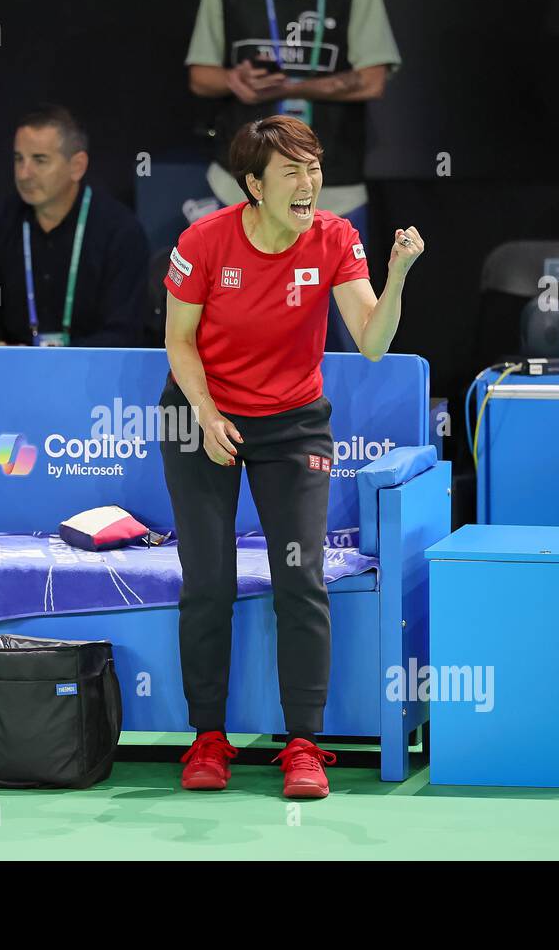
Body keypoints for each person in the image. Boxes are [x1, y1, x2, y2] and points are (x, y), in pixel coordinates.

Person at [160, 116, 423, 799]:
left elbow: (371, 343)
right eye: (292, 173)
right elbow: (179, 342)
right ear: (253, 185)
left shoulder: (335, 239)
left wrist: (395, 281)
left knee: (299, 578)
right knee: (208, 581)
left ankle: (305, 744)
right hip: (202, 415)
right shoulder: (204, 242)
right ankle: (208, 739)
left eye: (315, 169)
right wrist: (209, 415)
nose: (310, 184)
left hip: (293, 425)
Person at [185, 0, 401, 351]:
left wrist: (290, 88)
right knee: (229, 332)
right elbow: (200, 76)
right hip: (239, 192)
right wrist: (232, 79)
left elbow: (372, 80)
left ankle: (347, 407)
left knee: (354, 338)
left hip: (338, 193)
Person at [0, 105, 148, 347]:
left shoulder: (120, 232)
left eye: (39, 160)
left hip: (91, 377)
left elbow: (125, 332)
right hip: (9, 376)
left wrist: (55, 364)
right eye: (18, 159)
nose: (24, 174)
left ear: (77, 166)